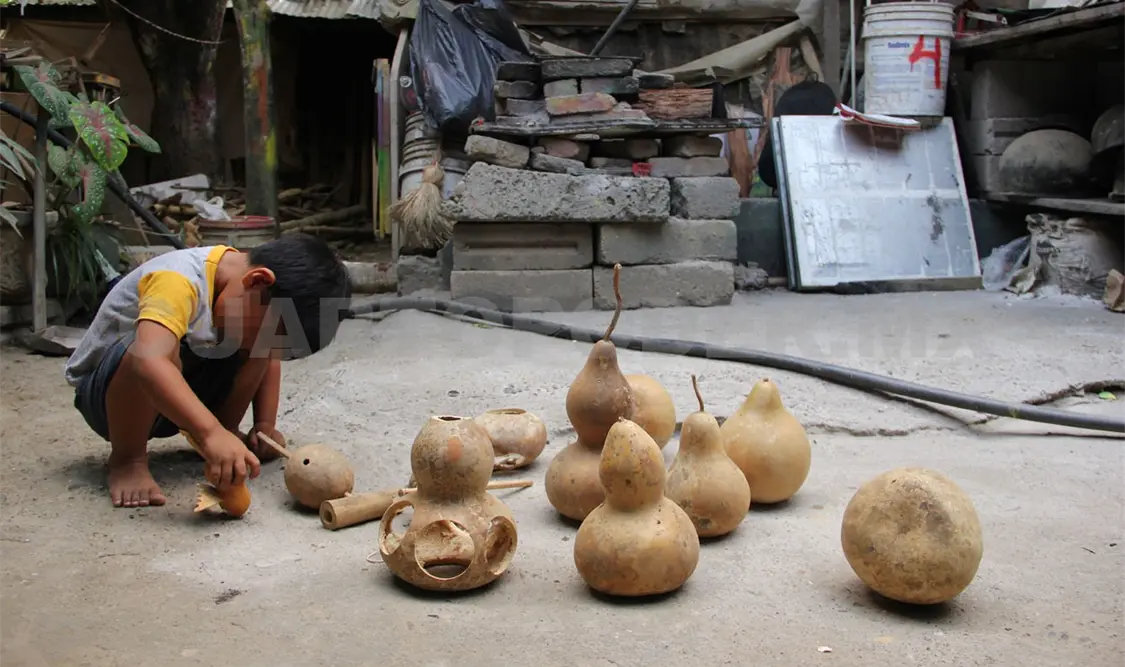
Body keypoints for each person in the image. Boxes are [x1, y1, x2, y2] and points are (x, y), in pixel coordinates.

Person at [64, 233, 352, 508]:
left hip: (177, 395)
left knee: (257, 346)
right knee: (148, 351)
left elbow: (268, 358)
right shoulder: (177, 279)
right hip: (112, 398)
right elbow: (148, 365)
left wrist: (264, 425)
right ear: (257, 281)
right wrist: (210, 432)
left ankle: (225, 436)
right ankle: (128, 461)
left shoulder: (247, 296)